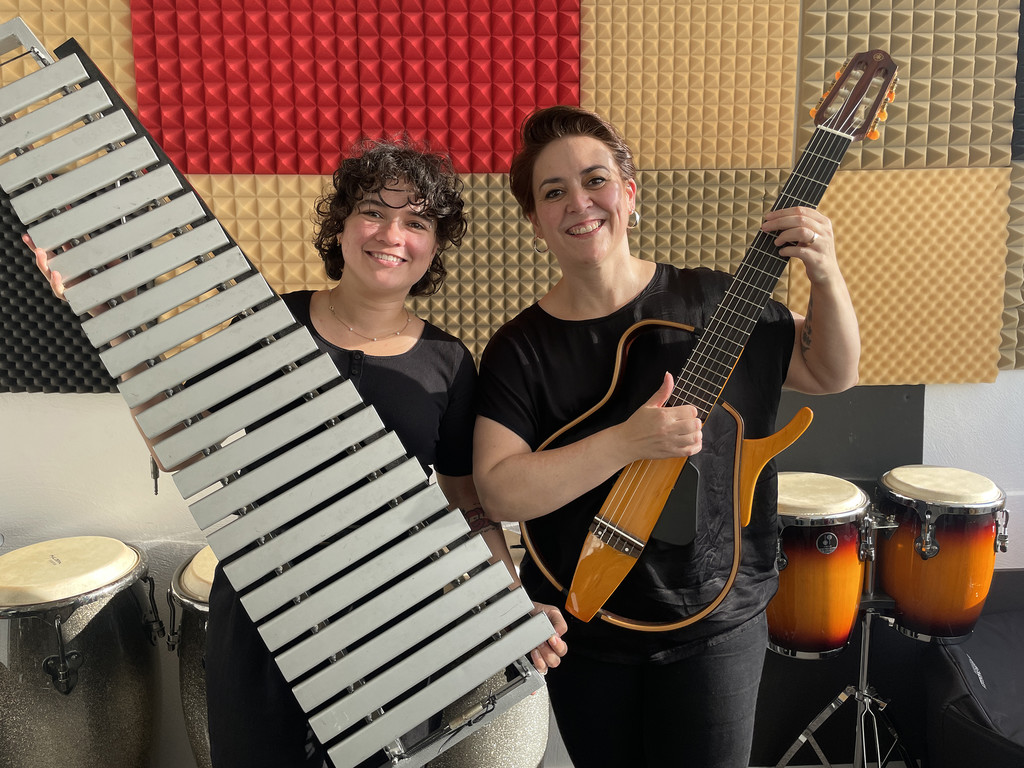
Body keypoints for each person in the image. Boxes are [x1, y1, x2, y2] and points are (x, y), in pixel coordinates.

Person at [30, 136, 566, 767]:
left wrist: (511, 598)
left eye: (416, 222)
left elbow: (466, 503)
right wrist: (106, 318)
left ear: (434, 247)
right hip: (260, 609)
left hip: (386, 618)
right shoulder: (270, 325)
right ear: (341, 226)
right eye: (374, 212)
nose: (391, 234)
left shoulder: (448, 362)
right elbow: (177, 447)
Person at [472, 105, 860, 768]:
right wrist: (626, 442)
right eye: (554, 192)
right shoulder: (519, 348)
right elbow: (500, 490)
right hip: (587, 621)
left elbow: (830, 371)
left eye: (595, 180)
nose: (579, 203)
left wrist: (825, 272)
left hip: (718, 622)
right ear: (535, 221)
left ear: (629, 193)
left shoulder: (716, 302)